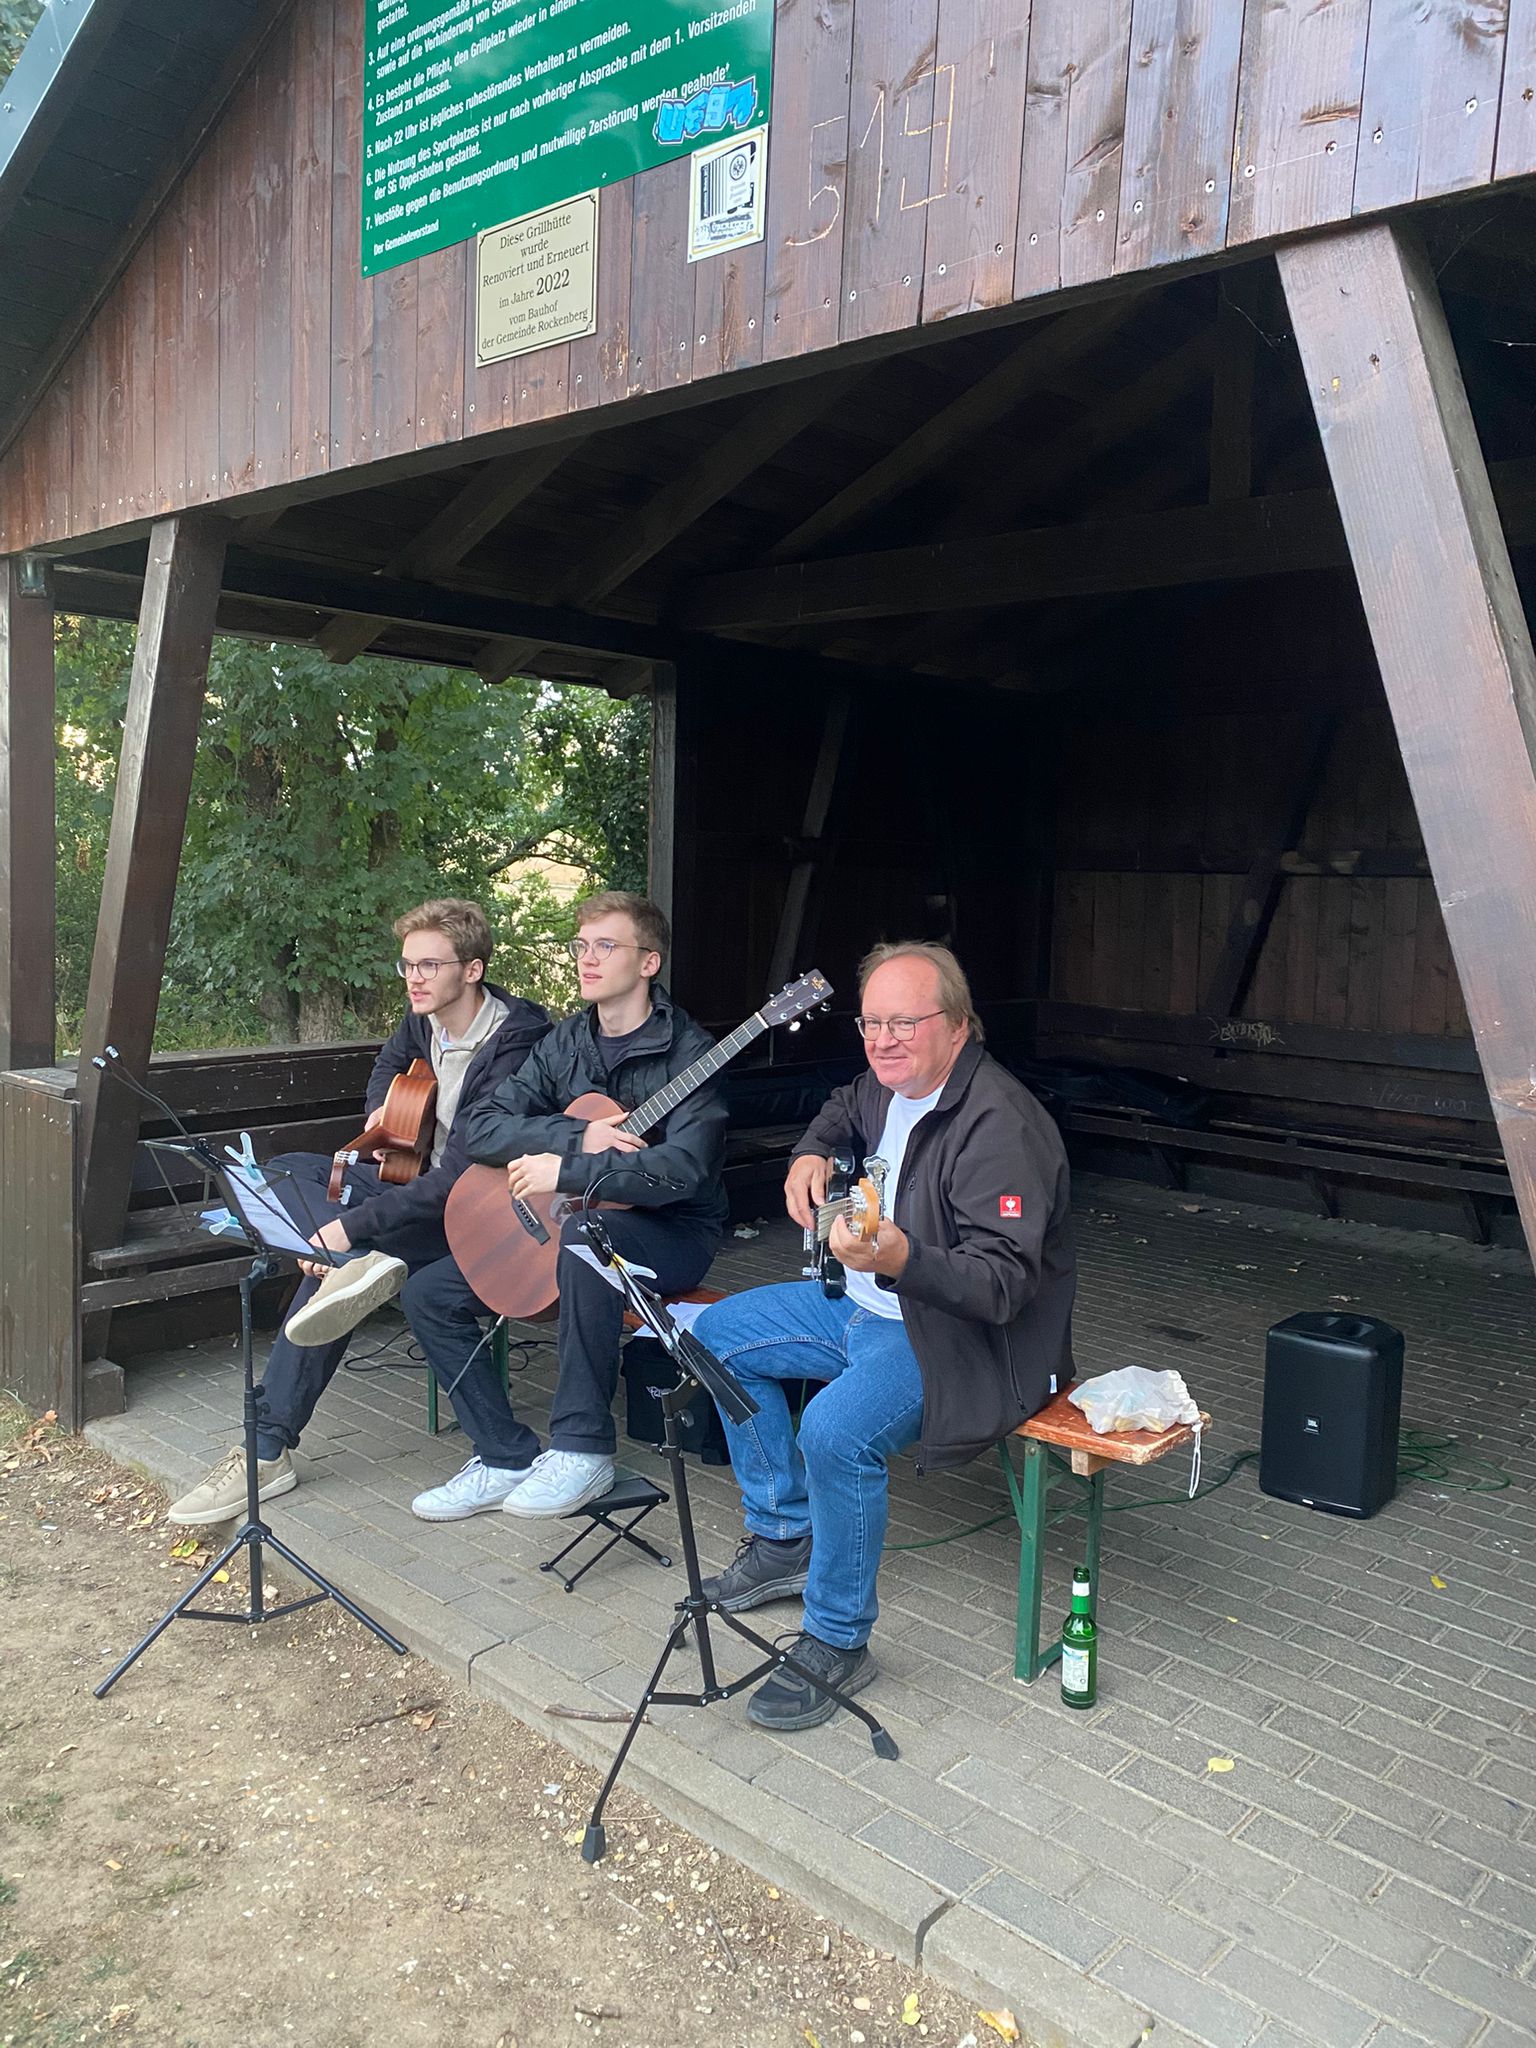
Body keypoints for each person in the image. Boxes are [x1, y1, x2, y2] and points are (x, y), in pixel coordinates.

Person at [690, 941, 1075, 1733]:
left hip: (948, 1334)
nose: (884, 1039)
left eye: (905, 1021)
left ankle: (837, 1636)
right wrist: (808, 1152)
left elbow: (1002, 1285)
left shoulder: (1000, 1124)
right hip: (858, 1306)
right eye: (871, 1022)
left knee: (834, 1432)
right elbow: (844, 1105)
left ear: (960, 1026)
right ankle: (783, 1535)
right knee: (713, 1334)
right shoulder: (886, 1084)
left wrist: (902, 1258)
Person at [167, 900, 550, 1525]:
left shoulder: (517, 1046)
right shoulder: (425, 1016)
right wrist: (385, 1110)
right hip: (414, 1193)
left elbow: (456, 1176)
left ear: (473, 969)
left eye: (429, 964)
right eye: (406, 965)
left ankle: (266, 1449)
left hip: (475, 1216)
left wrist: (352, 1225)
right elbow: (387, 1064)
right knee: (286, 1169)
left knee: (339, 1247)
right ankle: (349, 1262)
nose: (414, 978)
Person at [414, 890, 728, 1522]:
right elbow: (479, 1125)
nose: (587, 958)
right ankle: (504, 1454)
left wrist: (574, 1170)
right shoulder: (566, 1042)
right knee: (428, 1293)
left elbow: (682, 1173)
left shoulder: (690, 1054)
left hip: (670, 1233)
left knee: (588, 1237)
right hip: (564, 1223)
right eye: (581, 946)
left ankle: (585, 1449)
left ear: (648, 963)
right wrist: (572, 1137)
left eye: (605, 946)